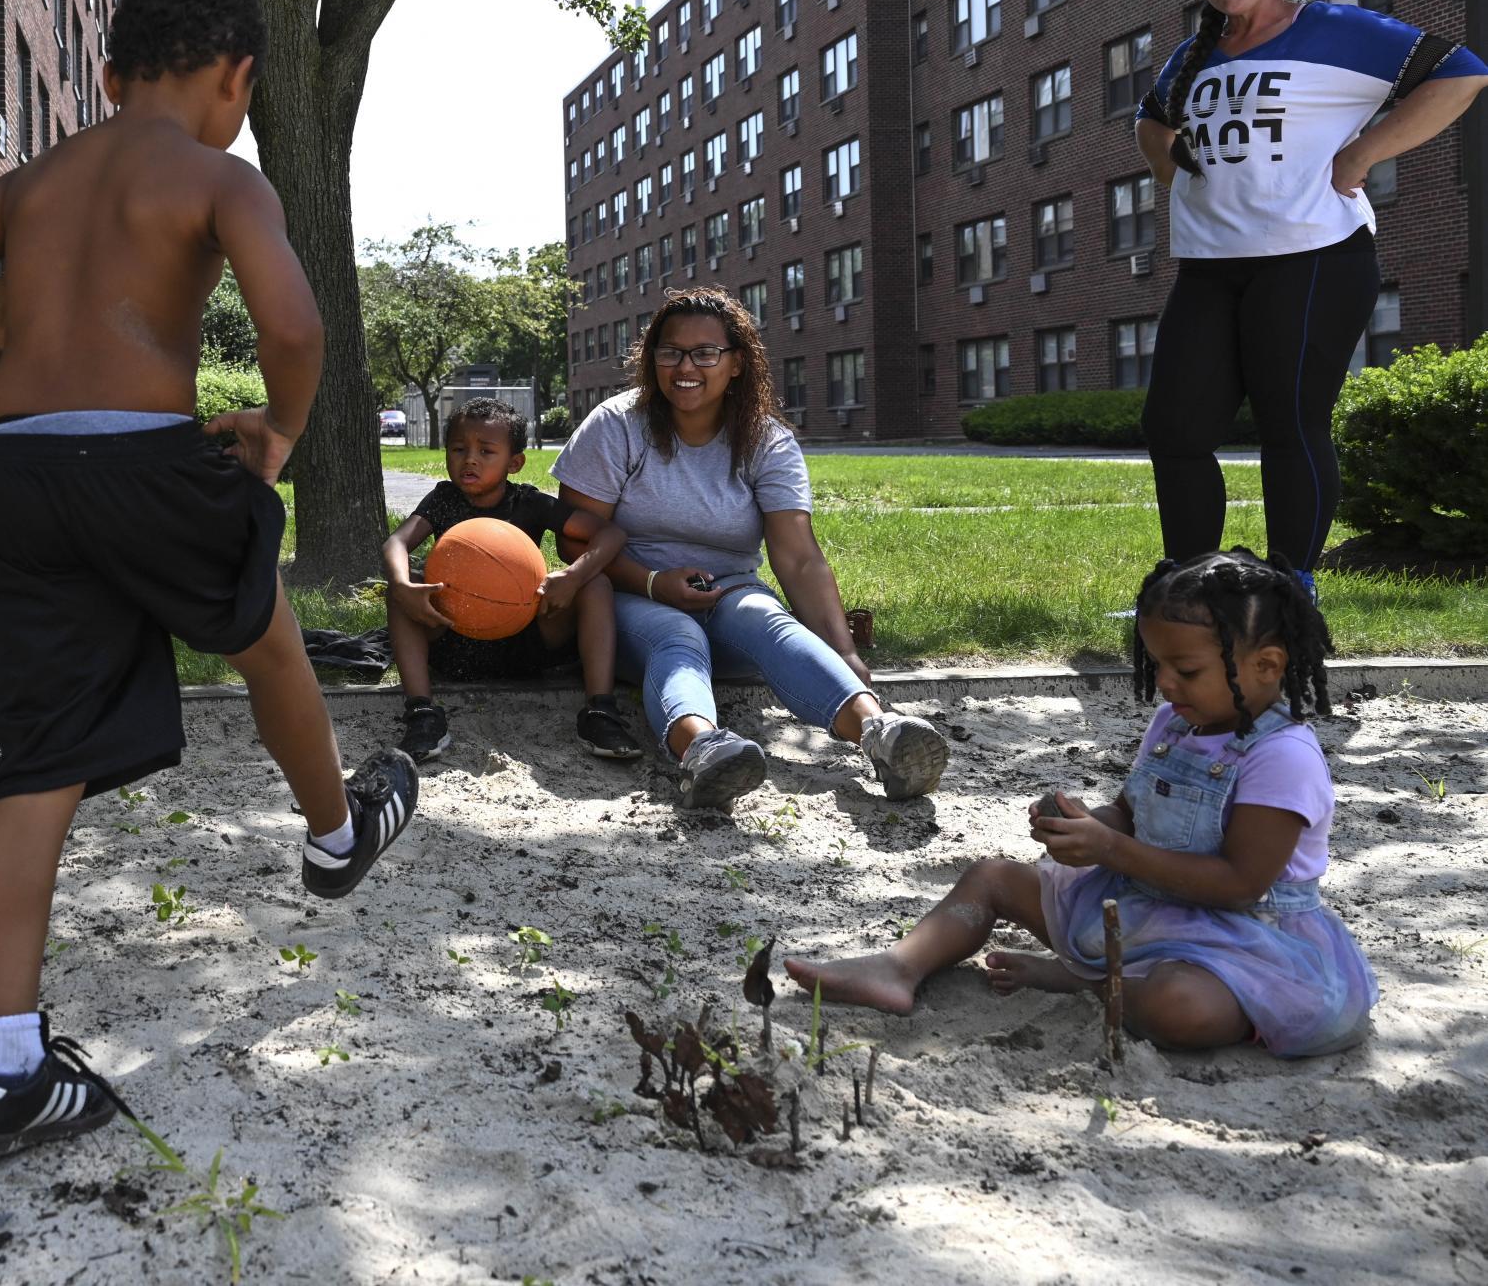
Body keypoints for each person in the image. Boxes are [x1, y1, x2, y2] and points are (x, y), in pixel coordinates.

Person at [0, 0, 419, 1159]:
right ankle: (335, 834)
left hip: (18, 480)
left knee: (36, 763)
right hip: (144, 462)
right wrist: (277, 433)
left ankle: (1, 1067)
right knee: (261, 631)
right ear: (237, 77)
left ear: (113, 76)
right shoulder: (221, 175)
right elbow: (295, 326)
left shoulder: (33, 182)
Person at [785, 550, 1375, 1059]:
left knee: (1179, 1010)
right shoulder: (1177, 722)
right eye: (1158, 665)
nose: (1165, 685)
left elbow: (1240, 884)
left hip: (1246, 940)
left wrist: (1113, 848)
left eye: (1186, 670)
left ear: (1267, 665)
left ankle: (1085, 979)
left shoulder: (1282, 757)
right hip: (1148, 905)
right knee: (992, 878)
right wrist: (1087, 824)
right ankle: (900, 966)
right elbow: (1131, 811)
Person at [1135, 0, 1488, 595]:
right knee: (1174, 425)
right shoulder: (1195, 52)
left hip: (1315, 254)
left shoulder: (1335, 30)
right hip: (1210, 265)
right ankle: (1190, 587)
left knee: (1289, 421)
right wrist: (1166, 162)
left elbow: (1462, 72)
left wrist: (1365, 151)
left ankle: (1291, 588)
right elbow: (1151, 119)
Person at [551, 289, 947, 810]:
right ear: (652, 360)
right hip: (631, 601)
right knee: (676, 632)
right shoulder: (616, 425)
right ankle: (703, 751)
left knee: (767, 619)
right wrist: (653, 582)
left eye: (705, 353)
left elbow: (798, 557)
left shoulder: (767, 440)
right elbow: (572, 540)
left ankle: (882, 736)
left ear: (737, 363)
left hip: (728, 593)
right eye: (670, 352)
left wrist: (843, 649)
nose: (685, 366)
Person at [381, 396, 629, 761]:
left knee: (596, 583)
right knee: (399, 589)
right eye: (459, 449)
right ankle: (422, 714)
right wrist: (404, 586)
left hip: (529, 642)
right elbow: (397, 542)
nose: (470, 459)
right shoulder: (443, 500)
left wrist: (574, 576)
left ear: (514, 463)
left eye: (486, 451)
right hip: (455, 640)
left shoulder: (530, 503)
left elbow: (611, 534)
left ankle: (600, 711)